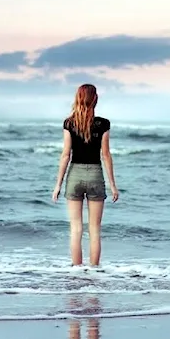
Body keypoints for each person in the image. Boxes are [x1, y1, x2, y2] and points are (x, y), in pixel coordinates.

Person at [51, 83, 119, 266]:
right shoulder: (103, 124)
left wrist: (58, 184)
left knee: (76, 229)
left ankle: (76, 270)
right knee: (95, 229)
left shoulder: (69, 123)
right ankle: (94, 271)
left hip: (74, 176)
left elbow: (66, 154)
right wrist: (113, 185)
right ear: (95, 99)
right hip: (96, 175)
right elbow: (106, 155)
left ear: (78, 98)